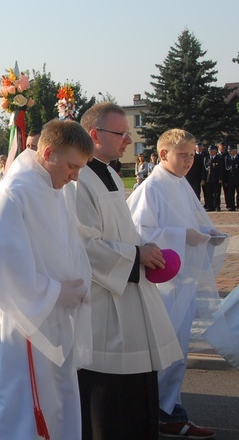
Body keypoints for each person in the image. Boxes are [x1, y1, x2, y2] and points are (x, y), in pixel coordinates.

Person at [0, 120, 94, 440]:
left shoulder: (56, 187)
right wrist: (53, 291)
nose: (75, 175)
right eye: (72, 166)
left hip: (55, 314)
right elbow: (1, 265)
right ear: (48, 153)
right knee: (19, 403)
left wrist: (77, 284)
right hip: (24, 317)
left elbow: (67, 246)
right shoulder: (14, 193)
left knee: (58, 400)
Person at [72, 103, 182, 440]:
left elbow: (118, 231)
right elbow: (84, 244)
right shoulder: (80, 179)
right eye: (121, 133)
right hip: (104, 303)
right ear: (95, 135)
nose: (128, 140)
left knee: (137, 384)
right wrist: (136, 255)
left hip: (128, 291)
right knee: (108, 392)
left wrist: (142, 249)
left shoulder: (111, 172)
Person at [129, 129, 228, 439]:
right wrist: (184, 236)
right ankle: (159, 411)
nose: (189, 160)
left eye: (192, 155)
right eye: (183, 155)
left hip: (181, 282)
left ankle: (168, 407)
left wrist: (204, 233)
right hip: (162, 285)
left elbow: (188, 220)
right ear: (163, 155)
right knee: (163, 347)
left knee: (178, 347)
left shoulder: (179, 184)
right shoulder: (152, 187)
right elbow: (139, 233)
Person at [204, 145, 223, 211]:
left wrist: (220, 178)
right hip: (208, 179)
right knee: (208, 193)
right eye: (209, 150)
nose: (210, 152)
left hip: (216, 179)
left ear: (215, 151)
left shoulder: (219, 158)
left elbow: (221, 169)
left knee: (217, 193)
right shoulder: (206, 158)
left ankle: (217, 206)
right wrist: (203, 179)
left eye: (211, 150)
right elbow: (204, 169)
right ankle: (209, 206)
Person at [225, 145, 239, 211]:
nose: (229, 152)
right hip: (230, 179)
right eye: (229, 151)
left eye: (231, 151)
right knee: (230, 193)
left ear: (235, 151)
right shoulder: (227, 158)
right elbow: (225, 170)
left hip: (238, 179)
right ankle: (231, 206)